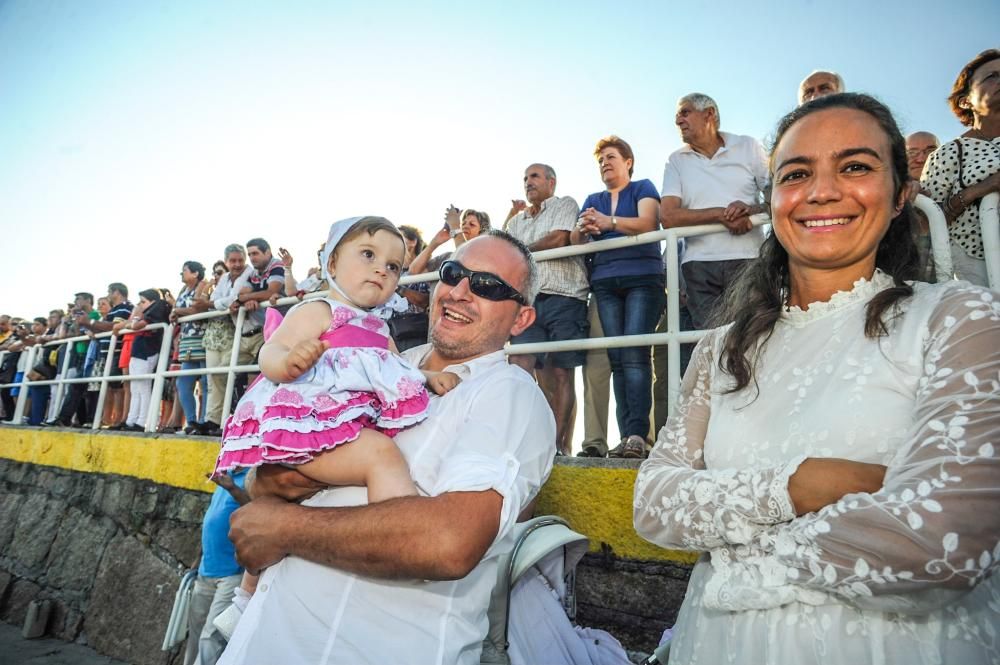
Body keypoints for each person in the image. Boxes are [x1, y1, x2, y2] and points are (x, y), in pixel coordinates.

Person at [633, 93, 1000, 664]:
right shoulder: (719, 348)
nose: (823, 191)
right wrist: (801, 485)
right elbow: (654, 503)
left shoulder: (959, 319)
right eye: (797, 173)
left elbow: (940, 543)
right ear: (772, 199)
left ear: (902, 194)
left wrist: (738, 557)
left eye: (855, 167)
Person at [217, 231, 553, 665]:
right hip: (261, 640)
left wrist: (284, 527)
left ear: (521, 319)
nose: (460, 291)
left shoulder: (510, 394)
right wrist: (274, 483)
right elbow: (271, 478)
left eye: (487, 286)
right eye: (453, 273)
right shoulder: (379, 360)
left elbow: (450, 542)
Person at [213, 217, 460, 617]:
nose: (382, 268)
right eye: (368, 255)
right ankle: (402, 542)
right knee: (380, 455)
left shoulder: (379, 328)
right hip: (309, 429)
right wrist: (289, 362)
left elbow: (398, 368)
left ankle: (245, 598)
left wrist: (428, 377)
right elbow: (269, 352)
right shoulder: (321, 310)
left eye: (394, 266)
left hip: (338, 428)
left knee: (278, 508)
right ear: (331, 264)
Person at [571, 135, 663, 459]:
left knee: (636, 355)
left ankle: (637, 434)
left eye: (610, 157)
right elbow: (575, 240)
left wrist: (607, 222)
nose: (605, 163)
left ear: (628, 162)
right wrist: (584, 226)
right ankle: (627, 438)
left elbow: (649, 222)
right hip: (605, 282)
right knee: (619, 361)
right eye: (600, 160)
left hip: (643, 278)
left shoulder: (644, 187)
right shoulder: (592, 198)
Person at [660, 93, 770, 332]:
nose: (678, 120)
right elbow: (668, 217)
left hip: (749, 259)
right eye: (677, 115)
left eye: (684, 112)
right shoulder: (676, 160)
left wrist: (751, 210)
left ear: (709, 114)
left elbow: (776, 196)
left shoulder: (748, 146)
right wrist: (721, 214)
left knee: (753, 337)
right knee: (711, 345)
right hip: (699, 267)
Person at [506, 163, 588, 456]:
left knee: (562, 372)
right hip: (528, 301)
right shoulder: (515, 223)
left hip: (566, 297)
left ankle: (557, 445)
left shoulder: (565, 204)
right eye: (525, 177)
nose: (528, 182)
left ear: (551, 183)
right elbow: (507, 254)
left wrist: (523, 251)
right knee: (520, 367)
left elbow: (559, 238)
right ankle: (525, 440)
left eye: (534, 176)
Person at [921, 48, 1000, 287]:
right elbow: (925, 223)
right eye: (992, 76)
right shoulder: (950, 152)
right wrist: (981, 189)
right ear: (966, 101)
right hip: (981, 278)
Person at [184, 471, 249, 665]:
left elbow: (255, 507)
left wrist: (232, 488)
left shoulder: (252, 476)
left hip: (231, 573)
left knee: (210, 637)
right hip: (206, 570)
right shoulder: (224, 474)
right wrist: (197, 561)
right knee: (195, 632)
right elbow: (210, 521)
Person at [202, 245, 253, 436]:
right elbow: (218, 300)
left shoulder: (249, 272)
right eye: (233, 261)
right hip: (234, 333)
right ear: (226, 261)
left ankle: (233, 419)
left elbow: (234, 298)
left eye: (240, 260)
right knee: (217, 375)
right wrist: (216, 303)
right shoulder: (224, 278)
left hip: (243, 333)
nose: (237, 264)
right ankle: (214, 420)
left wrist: (214, 303)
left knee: (238, 377)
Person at [115, 289, 171, 431]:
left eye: (143, 301)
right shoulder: (148, 311)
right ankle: (131, 420)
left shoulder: (158, 307)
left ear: (152, 301)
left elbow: (136, 325)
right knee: (135, 388)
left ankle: (142, 422)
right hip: (139, 352)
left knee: (143, 387)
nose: (140, 305)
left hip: (148, 352)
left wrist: (132, 321)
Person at [232, 238, 285, 380]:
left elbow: (271, 292)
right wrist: (251, 298)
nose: (252, 258)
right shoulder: (254, 273)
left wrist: (249, 297)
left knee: (258, 374)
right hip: (267, 330)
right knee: (230, 372)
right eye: (249, 255)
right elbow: (241, 295)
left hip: (284, 328)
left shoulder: (277, 265)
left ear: (267, 252)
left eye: (255, 253)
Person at [170, 261, 211, 434]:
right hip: (187, 340)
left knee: (205, 382)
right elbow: (174, 310)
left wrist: (178, 312)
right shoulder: (183, 290)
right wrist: (176, 311)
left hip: (201, 338)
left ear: (195, 273)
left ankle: (204, 421)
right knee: (183, 383)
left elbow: (196, 310)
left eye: (184, 270)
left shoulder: (203, 285)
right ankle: (192, 421)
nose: (181, 273)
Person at [388, 225, 432, 351]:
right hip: (390, 331)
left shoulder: (427, 269)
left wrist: (398, 289)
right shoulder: (390, 269)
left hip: (413, 333)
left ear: (413, 242)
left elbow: (427, 301)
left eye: (398, 236)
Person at [906, 131, 942, 281]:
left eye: (930, 152)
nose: (921, 159)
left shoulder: (957, 194)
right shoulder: (886, 195)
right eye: (912, 153)